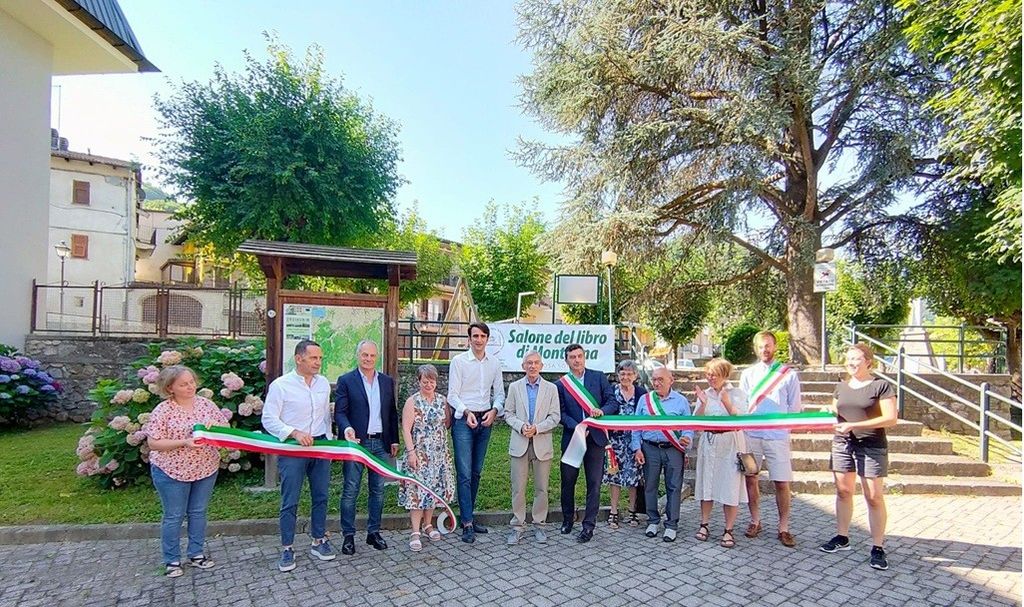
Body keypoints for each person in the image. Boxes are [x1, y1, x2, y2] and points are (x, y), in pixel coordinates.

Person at [144, 365, 229, 577]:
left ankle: (196, 554)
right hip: (171, 471)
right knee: (174, 515)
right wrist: (184, 442)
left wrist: (216, 428)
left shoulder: (206, 405)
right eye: (183, 384)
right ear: (170, 388)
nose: (190, 387)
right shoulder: (163, 411)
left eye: (191, 382)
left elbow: (225, 429)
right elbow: (154, 443)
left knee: (198, 512)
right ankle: (172, 560)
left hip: (205, 468)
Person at [819, 343, 898, 571]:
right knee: (843, 491)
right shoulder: (841, 387)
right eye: (849, 359)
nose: (851, 363)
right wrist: (827, 413)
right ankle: (842, 537)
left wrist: (855, 425)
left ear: (868, 362)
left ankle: (878, 547)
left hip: (871, 445)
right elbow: (835, 412)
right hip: (843, 443)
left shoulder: (881, 386)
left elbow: (890, 418)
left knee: (873, 496)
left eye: (856, 359)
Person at [261, 340, 336, 572]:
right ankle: (287, 547)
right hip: (293, 449)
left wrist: (329, 440)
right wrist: (294, 432)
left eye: (320, 358)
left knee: (321, 495)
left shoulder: (323, 383)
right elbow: (268, 418)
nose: (318, 362)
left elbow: (325, 415)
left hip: (320, 446)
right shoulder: (281, 386)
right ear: (298, 358)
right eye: (313, 358)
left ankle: (318, 540)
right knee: (290, 499)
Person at [335, 339, 399, 555]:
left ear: (377, 357)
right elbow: (340, 412)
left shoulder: (386, 381)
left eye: (372, 355)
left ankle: (374, 532)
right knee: (351, 489)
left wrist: (394, 439)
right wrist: (347, 428)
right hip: (357, 444)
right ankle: (348, 535)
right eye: (364, 355)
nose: (368, 359)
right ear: (358, 356)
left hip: (380, 443)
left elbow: (391, 412)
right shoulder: (346, 380)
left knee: (378, 490)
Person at [739, 330, 801, 547]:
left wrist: (783, 428)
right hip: (751, 434)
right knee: (751, 478)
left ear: (774, 347)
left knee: (782, 482)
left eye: (768, 345)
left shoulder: (788, 374)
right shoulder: (748, 374)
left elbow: (794, 407)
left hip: (777, 435)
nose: (764, 350)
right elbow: (742, 404)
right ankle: (755, 520)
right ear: (755, 349)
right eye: (760, 346)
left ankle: (784, 527)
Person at [447, 322, 505, 544]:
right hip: (464, 420)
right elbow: (452, 395)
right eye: (475, 336)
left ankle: (467, 516)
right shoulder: (459, 361)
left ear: (487, 339)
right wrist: (466, 412)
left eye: (482, 336)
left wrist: (494, 411)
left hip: (485, 419)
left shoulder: (494, 363)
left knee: (476, 472)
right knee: (464, 473)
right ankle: (467, 523)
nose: (479, 340)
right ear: (469, 339)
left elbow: (499, 394)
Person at [558, 343, 617, 544]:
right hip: (573, 438)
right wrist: (577, 427)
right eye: (572, 357)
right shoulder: (561, 384)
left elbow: (612, 402)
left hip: (596, 439)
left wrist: (603, 411)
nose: (576, 360)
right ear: (566, 360)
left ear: (584, 357)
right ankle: (568, 519)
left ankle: (588, 525)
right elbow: (560, 413)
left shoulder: (598, 377)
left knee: (594, 483)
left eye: (579, 356)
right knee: (568, 482)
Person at [503, 351, 561, 545]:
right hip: (519, 443)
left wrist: (537, 428)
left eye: (536, 363)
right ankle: (517, 526)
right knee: (518, 488)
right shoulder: (514, 387)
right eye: (529, 363)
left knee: (541, 488)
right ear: (523, 366)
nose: (532, 366)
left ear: (541, 366)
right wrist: (521, 426)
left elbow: (555, 417)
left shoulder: (551, 388)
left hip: (541, 443)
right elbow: (508, 413)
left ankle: (539, 525)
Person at [630, 366, 692, 542]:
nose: (656, 383)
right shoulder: (645, 400)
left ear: (671, 381)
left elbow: (688, 426)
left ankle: (671, 524)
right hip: (650, 448)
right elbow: (636, 426)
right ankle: (653, 521)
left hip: (673, 449)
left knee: (674, 486)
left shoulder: (681, 401)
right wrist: (637, 448)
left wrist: (687, 438)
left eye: (660, 380)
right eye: (654, 379)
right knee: (650, 485)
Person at [397, 364, 455, 552]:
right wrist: (411, 452)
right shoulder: (412, 402)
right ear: (419, 382)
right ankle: (415, 531)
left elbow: (446, 423)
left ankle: (428, 524)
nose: (428, 385)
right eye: (425, 381)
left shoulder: (442, 400)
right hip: (419, 454)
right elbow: (406, 429)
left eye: (432, 381)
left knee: (433, 490)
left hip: (438, 454)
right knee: (417, 491)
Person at [693, 358, 748, 548]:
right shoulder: (705, 393)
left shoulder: (737, 393)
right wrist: (702, 404)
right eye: (708, 374)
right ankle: (704, 524)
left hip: (730, 442)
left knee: (730, 485)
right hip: (709, 442)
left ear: (724, 375)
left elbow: (742, 420)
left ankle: (728, 529)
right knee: (706, 484)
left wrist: (726, 402)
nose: (711, 378)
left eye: (714, 374)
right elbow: (696, 422)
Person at [602, 359, 647, 528]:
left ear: (635, 376)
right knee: (614, 476)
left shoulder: (641, 393)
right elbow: (604, 412)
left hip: (635, 442)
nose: (625, 377)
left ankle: (632, 511)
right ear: (618, 375)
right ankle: (613, 512)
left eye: (629, 374)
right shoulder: (611, 391)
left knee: (633, 477)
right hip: (614, 442)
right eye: (622, 373)